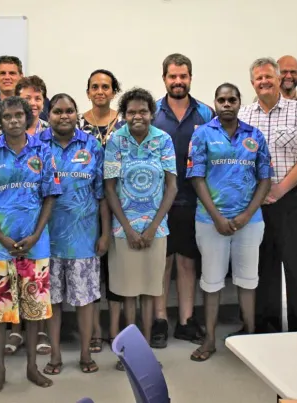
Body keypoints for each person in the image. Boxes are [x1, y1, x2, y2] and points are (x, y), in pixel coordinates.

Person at [0, 96, 61, 392]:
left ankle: (32, 368)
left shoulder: (43, 150)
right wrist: (0, 235)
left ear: (28, 118)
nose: (13, 120)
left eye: (18, 115)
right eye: (7, 117)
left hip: (35, 244)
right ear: (0, 122)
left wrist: (36, 234)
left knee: (34, 310)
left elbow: (50, 193)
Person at [187, 83, 272, 362]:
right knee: (211, 282)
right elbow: (196, 177)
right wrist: (217, 217)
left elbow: (265, 177)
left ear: (239, 102)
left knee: (248, 281)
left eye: (232, 99)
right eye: (221, 100)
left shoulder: (254, 135)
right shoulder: (202, 134)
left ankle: (249, 336)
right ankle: (210, 340)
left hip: (250, 221)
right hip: (211, 221)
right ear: (215, 103)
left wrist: (247, 214)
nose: (227, 104)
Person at [238, 57, 297, 333]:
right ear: (252, 83)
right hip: (255, 204)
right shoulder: (244, 116)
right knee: (263, 268)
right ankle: (266, 327)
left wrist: (281, 188)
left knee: (296, 267)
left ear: (278, 79)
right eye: (258, 78)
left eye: (268, 77)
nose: (264, 82)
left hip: (292, 200)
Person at [104, 87, 177, 370]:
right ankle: (128, 354)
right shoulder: (116, 142)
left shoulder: (163, 141)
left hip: (156, 231)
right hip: (124, 232)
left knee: (149, 291)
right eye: (132, 112)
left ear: (151, 114)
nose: (138, 116)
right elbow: (109, 188)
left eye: (143, 111)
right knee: (128, 294)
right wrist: (129, 229)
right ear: (124, 115)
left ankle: (145, 352)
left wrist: (152, 227)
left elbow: (171, 187)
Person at [41, 93, 110, 375]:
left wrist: (104, 234)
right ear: (49, 115)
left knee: (84, 302)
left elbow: (102, 194)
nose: (64, 116)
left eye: (70, 111)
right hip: (47, 240)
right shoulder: (38, 146)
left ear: (76, 114)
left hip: (84, 241)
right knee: (53, 302)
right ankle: (55, 356)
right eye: (58, 111)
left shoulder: (92, 145)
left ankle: (85, 355)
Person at [151, 53, 213, 348]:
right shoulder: (151, 113)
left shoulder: (206, 113)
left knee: (188, 263)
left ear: (190, 77)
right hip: (157, 203)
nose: (178, 81)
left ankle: (186, 320)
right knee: (162, 263)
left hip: (194, 200)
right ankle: (161, 319)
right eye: (172, 76)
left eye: (183, 76)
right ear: (164, 78)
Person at [79, 69, 125, 353]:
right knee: (93, 270)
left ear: (113, 91)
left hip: (121, 204)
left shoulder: (123, 123)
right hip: (88, 207)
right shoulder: (77, 124)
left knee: (117, 270)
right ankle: (94, 330)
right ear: (87, 92)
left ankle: (115, 330)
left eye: (105, 87)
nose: (100, 91)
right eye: (94, 86)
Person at [0, 56, 49, 134]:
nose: (7, 77)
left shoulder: (44, 104)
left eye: (12, 73)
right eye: (2, 73)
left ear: (21, 76)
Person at [0, 75, 50, 143]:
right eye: (27, 98)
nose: (33, 103)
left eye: (37, 99)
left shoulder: (50, 131)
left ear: (43, 102)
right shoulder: (1, 130)